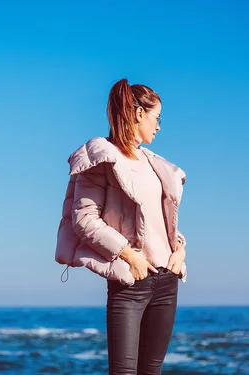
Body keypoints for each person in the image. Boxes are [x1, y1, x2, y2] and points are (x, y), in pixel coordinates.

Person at [55, 78, 188, 375]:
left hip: (167, 282)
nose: (159, 126)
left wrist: (180, 250)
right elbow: (84, 219)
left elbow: (160, 223)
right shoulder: (101, 157)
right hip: (130, 283)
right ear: (139, 113)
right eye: (158, 118)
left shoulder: (155, 165)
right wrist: (129, 255)